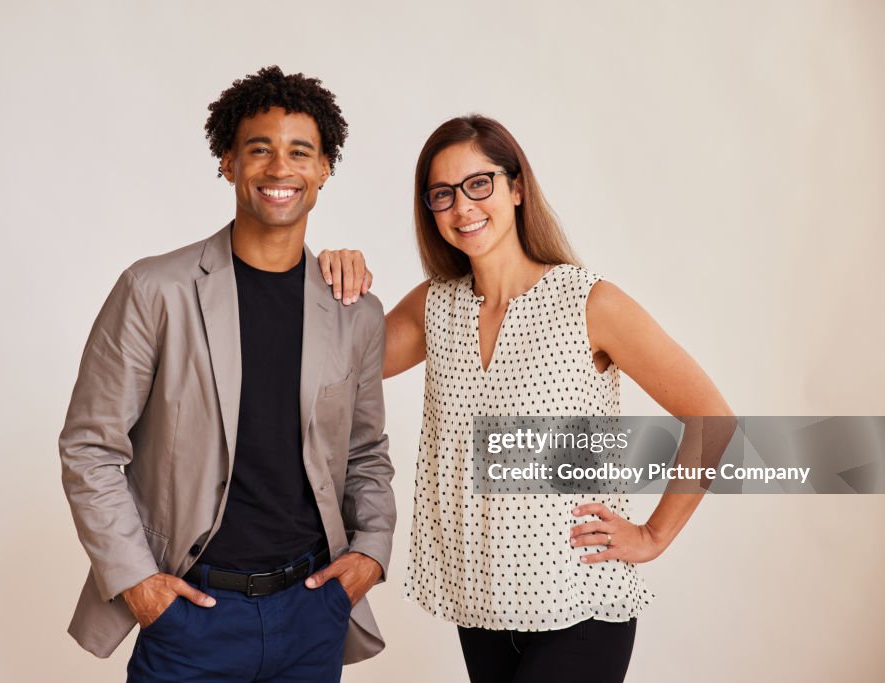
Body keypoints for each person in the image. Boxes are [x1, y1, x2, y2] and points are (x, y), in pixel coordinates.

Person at [319, 115, 733, 682]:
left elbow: (714, 420)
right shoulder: (434, 306)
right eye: (442, 194)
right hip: (481, 602)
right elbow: (329, 365)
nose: (463, 207)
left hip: (580, 603)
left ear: (516, 188)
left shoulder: (589, 303)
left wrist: (653, 535)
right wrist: (326, 275)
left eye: (479, 183)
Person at [59, 65, 396, 683]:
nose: (278, 169)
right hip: (190, 616)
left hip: (312, 611)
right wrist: (137, 581)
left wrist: (371, 553)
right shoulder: (154, 289)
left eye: (300, 152)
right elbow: (90, 447)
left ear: (324, 169)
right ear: (228, 162)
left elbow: (366, 451)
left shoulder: (355, 311)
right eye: (258, 149)